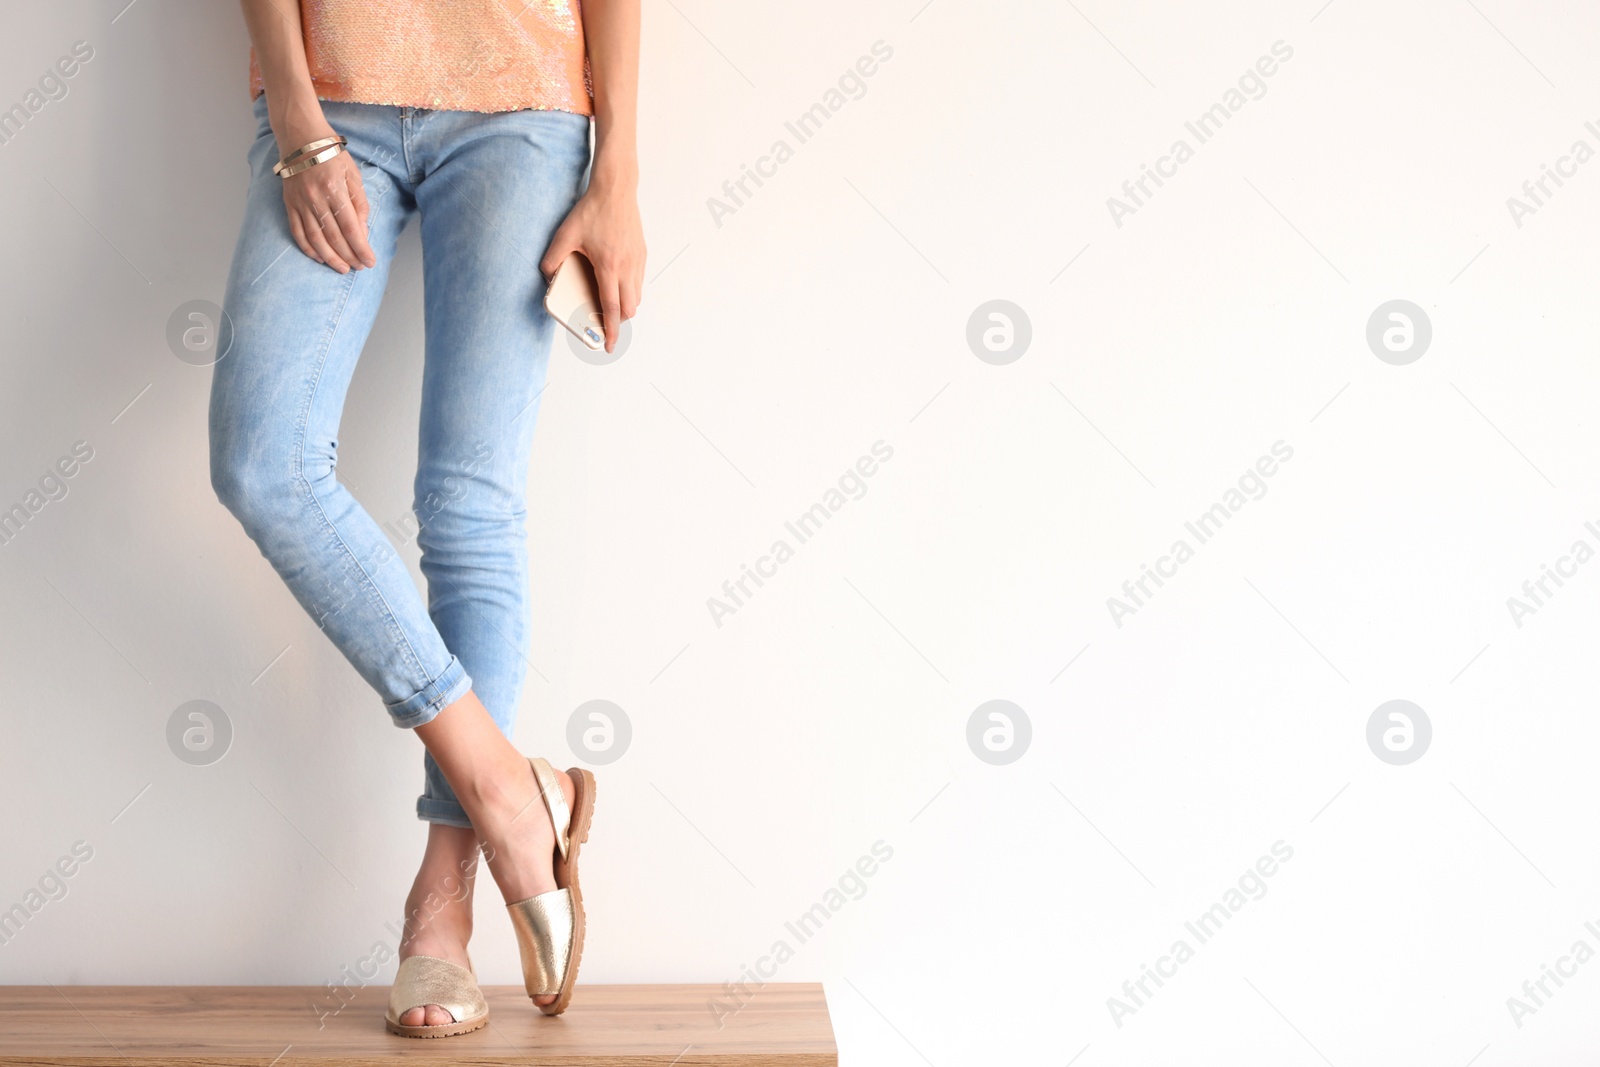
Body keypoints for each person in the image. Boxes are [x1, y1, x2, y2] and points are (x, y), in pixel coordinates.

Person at [209, 0, 645, 1038]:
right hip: (331, 105)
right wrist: (298, 121)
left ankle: (439, 911)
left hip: (524, 105)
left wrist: (618, 170)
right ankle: (506, 788)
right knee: (263, 462)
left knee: (469, 505)